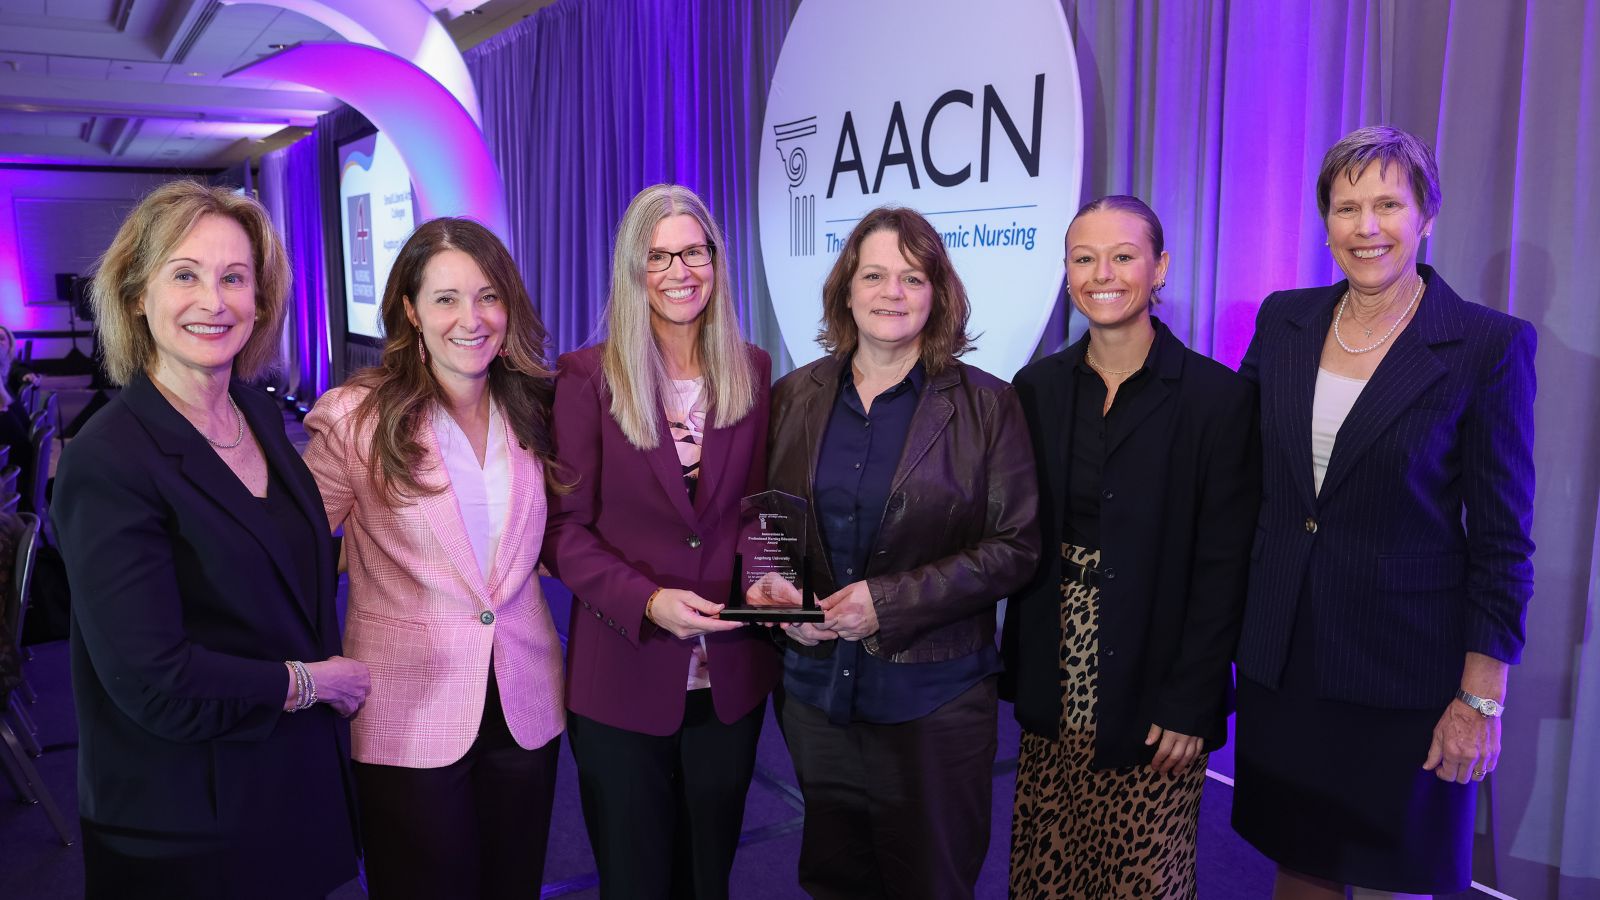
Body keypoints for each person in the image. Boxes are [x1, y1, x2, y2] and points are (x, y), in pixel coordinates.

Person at [1231, 125, 1537, 898]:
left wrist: (1479, 697)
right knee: (1299, 864)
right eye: (1346, 207)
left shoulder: (1483, 345)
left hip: (1405, 671)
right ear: (1325, 222)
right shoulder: (1284, 320)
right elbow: (1243, 476)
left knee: (1403, 873)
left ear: (1425, 216)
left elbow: (1503, 541)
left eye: (1387, 205)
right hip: (1286, 655)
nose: (1366, 227)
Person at [50, 180, 368, 899]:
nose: (214, 301)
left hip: (287, 791)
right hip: (184, 825)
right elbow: (150, 678)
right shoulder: (108, 459)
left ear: (261, 297)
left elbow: (279, 562)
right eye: (185, 275)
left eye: (234, 278)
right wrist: (312, 681)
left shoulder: (255, 411)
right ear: (136, 295)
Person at [766, 206, 1039, 899]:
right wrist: (779, 597)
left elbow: (1015, 548)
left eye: (912, 278)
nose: (892, 293)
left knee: (931, 884)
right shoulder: (793, 397)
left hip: (934, 701)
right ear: (846, 290)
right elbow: (772, 528)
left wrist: (884, 603)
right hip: (816, 696)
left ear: (938, 293)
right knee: (833, 880)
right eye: (875, 275)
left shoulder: (988, 406)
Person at [1000, 196, 1260, 898]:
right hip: (1056, 666)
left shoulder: (1217, 399)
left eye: (1122, 256)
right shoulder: (1038, 389)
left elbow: (1223, 567)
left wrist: (1193, 701)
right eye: (1083, 258)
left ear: (1160, 268)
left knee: (1141, 876)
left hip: (1158, 678)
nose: (1101, 274)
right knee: (1047, 868)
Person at [301, 217, 567, 899]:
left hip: (524, 702)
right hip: (403, 712)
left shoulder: (537, 411)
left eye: (488, 297)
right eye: (446, 298)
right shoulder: (355, 419)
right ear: (411, 310)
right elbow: (289, 551)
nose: (470, 318)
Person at [543, 183, 778, 900]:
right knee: (636, 880)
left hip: (730, 678)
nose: (681, 271)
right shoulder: (586, 377)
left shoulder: (754, 368)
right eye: (659, 255)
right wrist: (646, 601)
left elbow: (759, 512)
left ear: (716, 259)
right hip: (621, 674)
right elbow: (563, 533)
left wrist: (767, 575)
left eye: (695, 252)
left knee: (709, 878)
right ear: (632, 268)